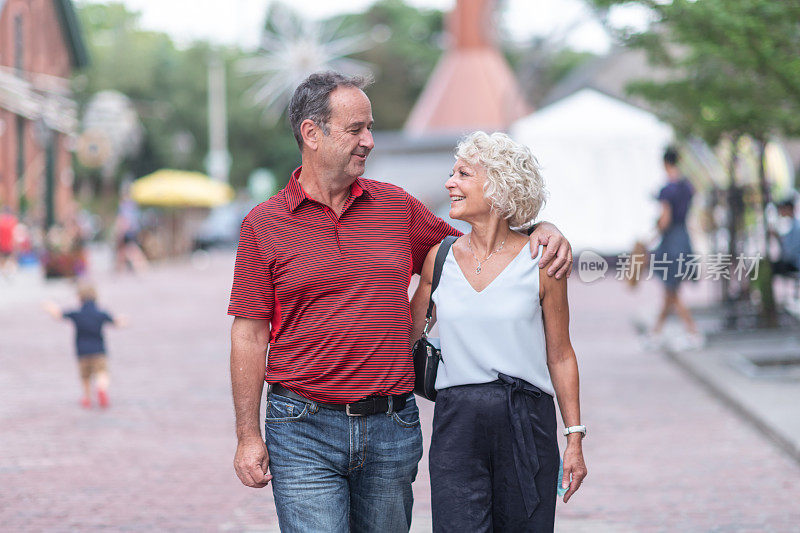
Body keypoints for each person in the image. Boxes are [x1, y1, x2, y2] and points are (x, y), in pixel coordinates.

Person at [228, 71, 574, 533]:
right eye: (356, 130)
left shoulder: (396, 208)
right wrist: (248, 436)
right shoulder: (264, 225)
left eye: (370, 127)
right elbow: (249, 336)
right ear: (312, 133)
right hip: (302, 428)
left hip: (391, 428)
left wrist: (541, 229)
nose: (369, 140)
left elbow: (485, 248)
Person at [409, 131, 586, 532]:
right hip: (457, 422)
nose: (449, 183)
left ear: (500, 185)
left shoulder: (541, 260)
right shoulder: (439, 259)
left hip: (527, 419)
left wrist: (573, 436)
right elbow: (406, 337)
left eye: (463, 174)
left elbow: (560, 354)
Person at [648, 147, 701, 347]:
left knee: (672, 291)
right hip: (684, 239)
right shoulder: (687, 187)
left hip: (670, 242)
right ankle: (656, 334)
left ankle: (692, 333)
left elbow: (665, 219)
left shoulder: (667, 190)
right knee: (671, 292)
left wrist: (652, 235)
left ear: (665, 163)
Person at [43, 282, 126, 408]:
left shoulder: (77, 314)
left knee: (85, 377)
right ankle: (101, 388)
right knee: (102, 373)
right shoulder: (100, 313)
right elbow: (116, 322)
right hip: (99, 350)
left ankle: (87, 398)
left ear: (79, 298)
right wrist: (123, 320)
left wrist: (50, 307)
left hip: (82, 352)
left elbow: (59, 315)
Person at [769, 198, 800, 275]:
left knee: (768, 267)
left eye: (782, 208)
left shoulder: (796, 226)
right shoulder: (793, 225)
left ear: (788, 209)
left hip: (795, 263)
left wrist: (778, 238)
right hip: (793, 262)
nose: (780, 211)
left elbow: (790, 252)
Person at [0, 206, 18, 279]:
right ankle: (9, 272)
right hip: (9, 244)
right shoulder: (13, 221)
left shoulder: (1, 221)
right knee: (10, 258)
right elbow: (14, 233)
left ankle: (4, 272)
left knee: (3, 259)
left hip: (3, 244)